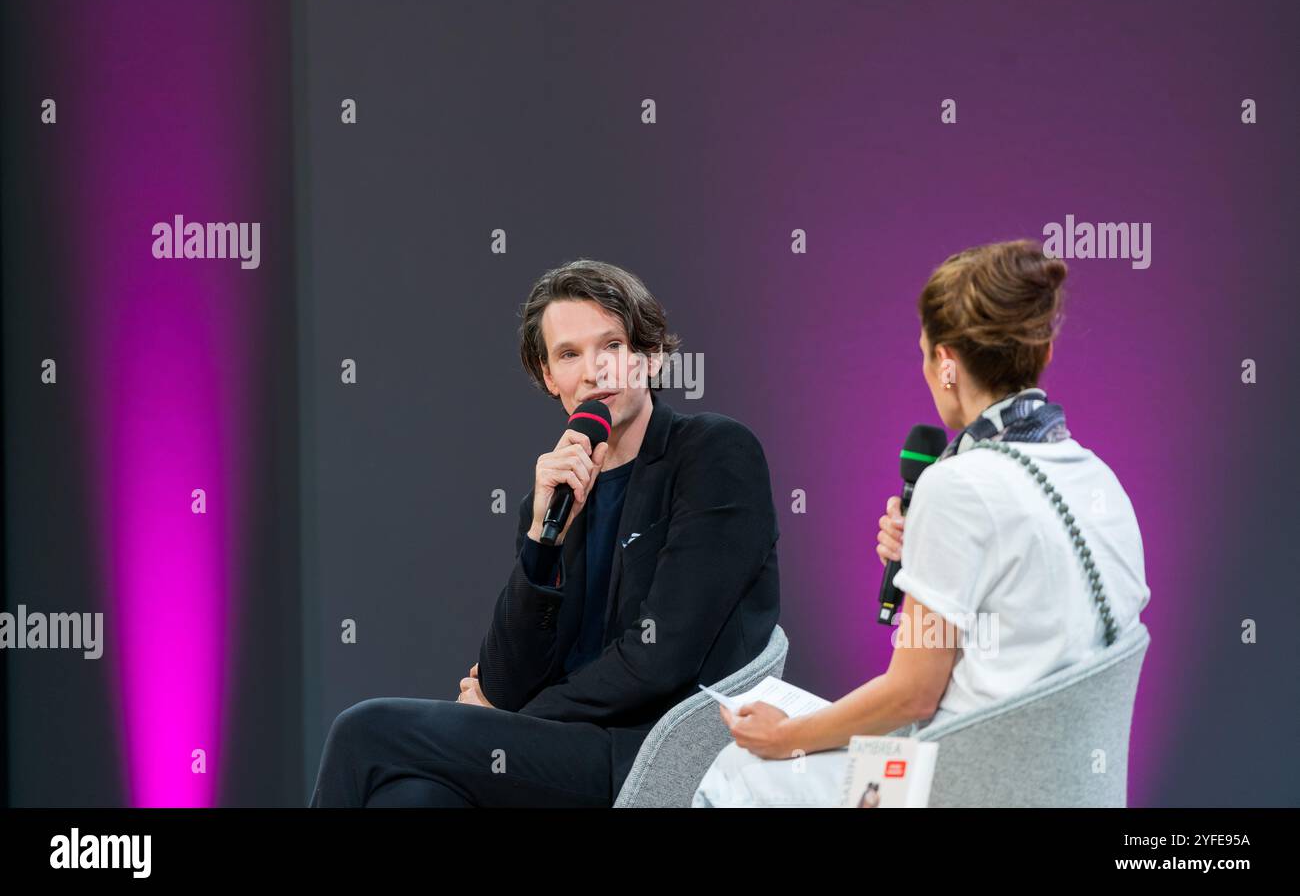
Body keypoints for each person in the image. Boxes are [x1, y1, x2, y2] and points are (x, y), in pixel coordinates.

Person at [692, 239, 1150, 807]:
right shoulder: (1099, 479)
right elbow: (1028, 626)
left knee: (739, 767)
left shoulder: (956, 485)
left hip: (954, 787)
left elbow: (912, 696)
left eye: (925, 353)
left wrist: (786, 737)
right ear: (1045, 352)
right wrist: (927, 558)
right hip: (1063, 790)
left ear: (946, 363)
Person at [309, 258, 780, 806]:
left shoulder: (712, 453)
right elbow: (507, 677)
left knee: (364, 729)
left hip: (648, 753)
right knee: (410, 797)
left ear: (648, 357)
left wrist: (506, 720)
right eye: (569, 355)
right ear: (548, 377)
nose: (594, 371)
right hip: (554, 750)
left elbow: (661, 658)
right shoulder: (554, 490)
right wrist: (541, 539)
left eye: (612, 346)